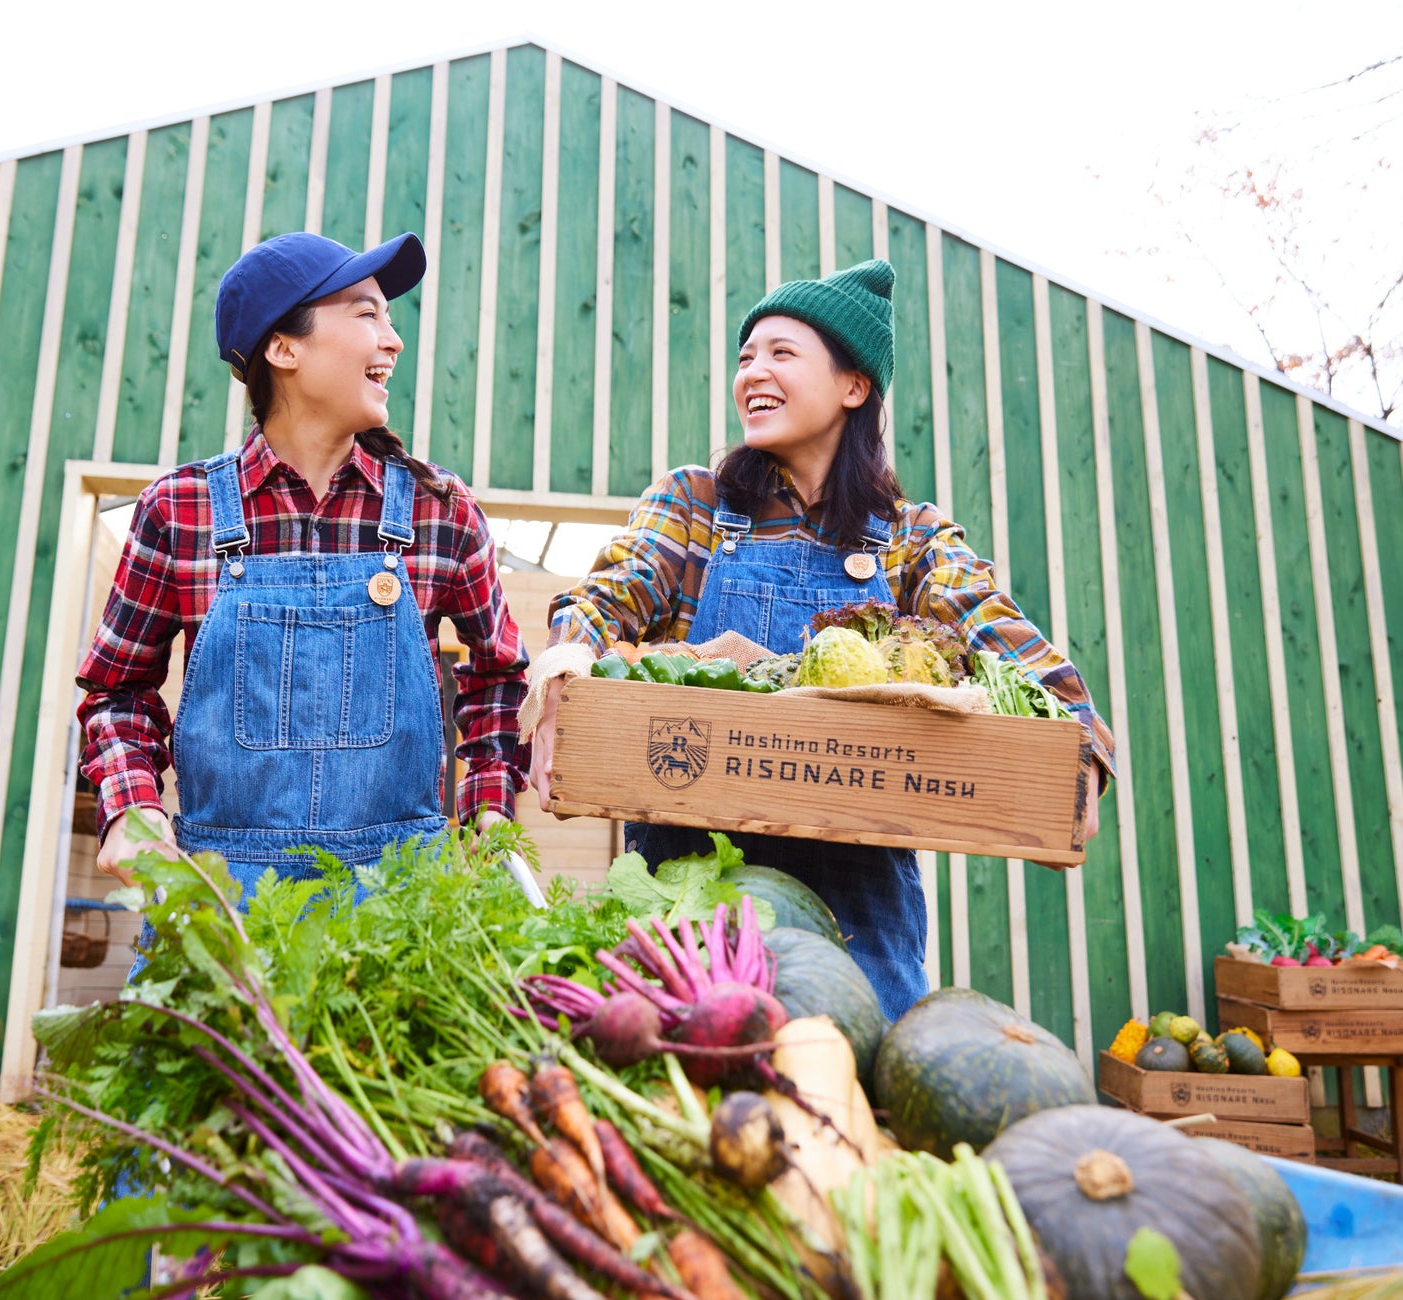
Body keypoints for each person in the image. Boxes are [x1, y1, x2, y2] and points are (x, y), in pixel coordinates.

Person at [522, 259, 1115, 1021]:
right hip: (693, 904)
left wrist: (1077, 745)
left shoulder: (909, 538)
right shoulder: (695, 506)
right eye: (745, 357)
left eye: (781, 353)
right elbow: (605, 597)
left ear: (854, 385)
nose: (752, 373)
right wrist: (565, 666)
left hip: (858, 918)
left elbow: (994, 627)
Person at [78, 230, 529, 916]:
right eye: (367, 312)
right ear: (284, 349)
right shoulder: (180, 510)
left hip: (403, 906)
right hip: (223, 903)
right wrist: (132, 808)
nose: (393, 339)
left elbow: (498, 677)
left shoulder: (442, 512)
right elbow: (117, 694)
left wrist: (488, 809)